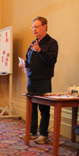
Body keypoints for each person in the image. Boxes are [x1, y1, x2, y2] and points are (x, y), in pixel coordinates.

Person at [19, 16, 58, 144]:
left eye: (37, 27)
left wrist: (40, 51)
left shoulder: (52, 43)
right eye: (33, 27)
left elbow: (51, 60)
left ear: (44, 26)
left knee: (44, 109)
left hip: (43, 81)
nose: (34, 30)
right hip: (31, 80)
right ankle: (32, 132)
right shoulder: (33, 43)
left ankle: (44, 134)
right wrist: (24, 64)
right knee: (32, 108)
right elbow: (29, 60)